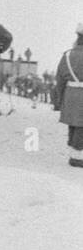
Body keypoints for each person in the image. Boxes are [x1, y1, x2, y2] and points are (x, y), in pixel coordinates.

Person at [52, 24, 83, 168]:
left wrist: (60, 99)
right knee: (81, 126)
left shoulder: (68, 55)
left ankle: (72, 151)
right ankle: (77, 157)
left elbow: (59, 80)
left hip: (70, 93)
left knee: (73, 123)